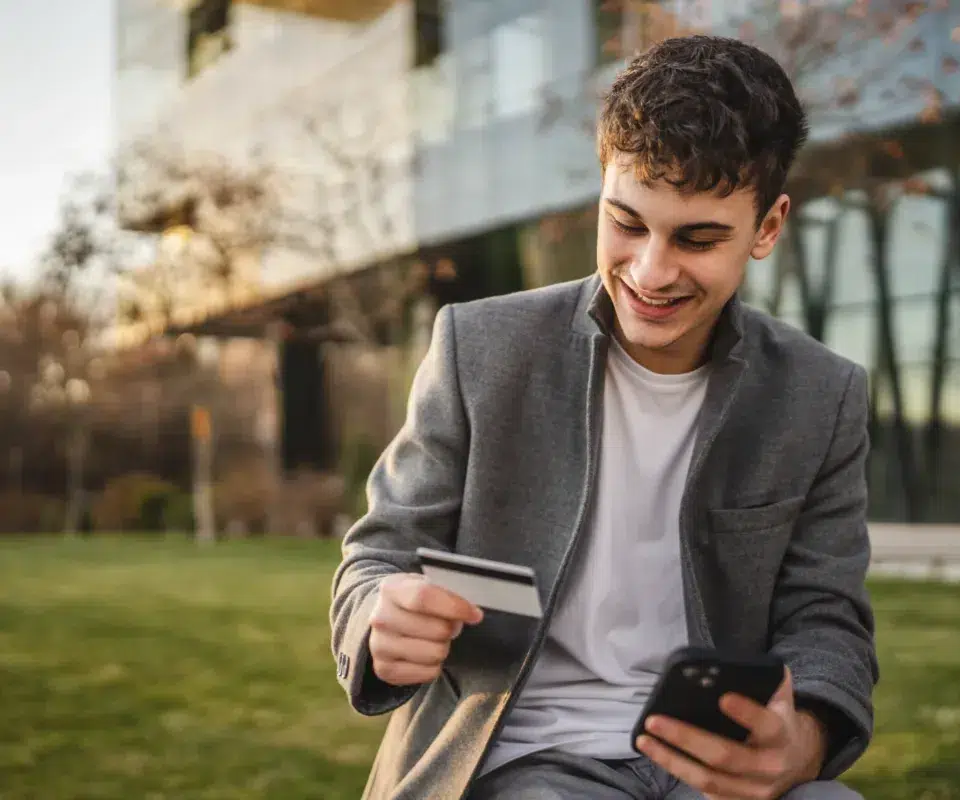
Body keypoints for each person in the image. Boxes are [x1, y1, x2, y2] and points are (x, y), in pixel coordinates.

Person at [330, 34, 877, 800]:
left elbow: (828, 620)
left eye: (696, 238)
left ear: (768, 227)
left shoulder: (822, 397)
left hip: (709, 763)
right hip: (520, 756)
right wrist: (377, 621)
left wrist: (805, 738)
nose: (651, 271)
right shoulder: (479, 347)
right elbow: (377, 558)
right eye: (627, 223)